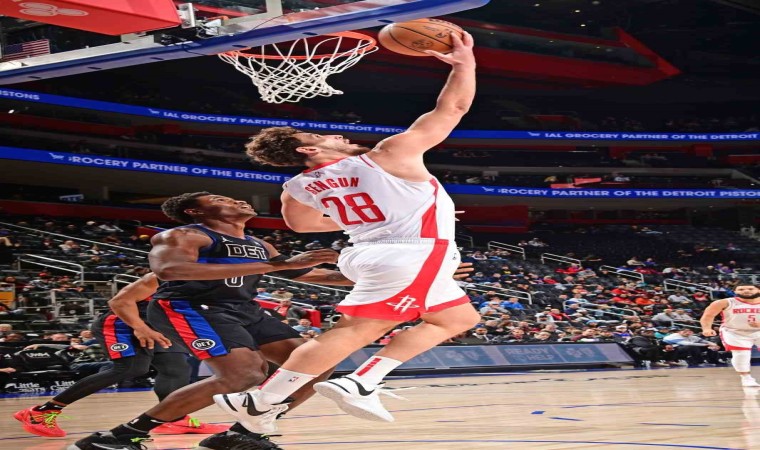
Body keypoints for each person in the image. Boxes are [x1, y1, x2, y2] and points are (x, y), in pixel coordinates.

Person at [215, 31, 480, 430]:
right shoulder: (388, 154)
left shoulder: (296, 187)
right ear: (308, 149)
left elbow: (301, 225)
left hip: (367, 252)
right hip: (411, 251)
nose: (335, 135)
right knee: (356, 330)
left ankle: (363, 380)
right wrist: (464, 63)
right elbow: (454, 107)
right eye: (320, 136)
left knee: (457, 318)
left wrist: (386, 215)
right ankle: (261, 400)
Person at [69, 192, 343, 450]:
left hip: (244, 308)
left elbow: (307, 274)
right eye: (220, 199)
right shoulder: (183, 235)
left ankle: (241, 434)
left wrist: (366, 276)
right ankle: (121, 435)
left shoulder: (260, 245)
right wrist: (278, 265)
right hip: (189, 307)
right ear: (195, 211)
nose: (237, 200)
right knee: (244, 375)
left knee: (315, 363)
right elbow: (169, 269)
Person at [14, 273, 226, 438]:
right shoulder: (165, 275)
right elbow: (119, 302)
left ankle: (174, 419)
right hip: (121, 322)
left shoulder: (219, 285)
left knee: (176, 368)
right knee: (130, 368)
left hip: (157, 325)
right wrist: (140, 327)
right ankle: (42, 412)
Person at [701, 284, 760, 387]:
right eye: (741, 289)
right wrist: (706, 328)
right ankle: (746, 378)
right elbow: (708, 315)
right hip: (734, 331)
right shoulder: (724, 302)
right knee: (741, 354)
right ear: (734, 292)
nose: (746, 291)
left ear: (758, 290)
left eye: (750, 289)